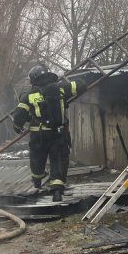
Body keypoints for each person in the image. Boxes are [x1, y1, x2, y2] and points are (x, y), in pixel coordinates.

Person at [12, 64, 86, 202]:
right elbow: (82, 85)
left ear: (33, 79)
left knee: (37, 158)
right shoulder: (61, 88)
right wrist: (67, 87)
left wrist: (17, 126)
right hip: (58, 133)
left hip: (38, 134)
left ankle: (37, 182)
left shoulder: (29, 95)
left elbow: (18, 116)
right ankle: (57, 192)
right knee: (58, 159)